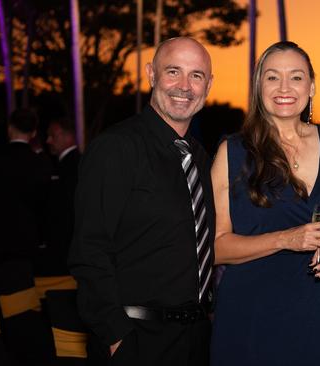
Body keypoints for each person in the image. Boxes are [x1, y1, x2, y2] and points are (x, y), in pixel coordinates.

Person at [209, 41, 320, 366]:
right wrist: (286, 239)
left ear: (312, 85)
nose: (284, 88)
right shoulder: (232, 152)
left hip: (319, 312)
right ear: (258, 86)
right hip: (250, 314)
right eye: (272, 77)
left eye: (296, 77)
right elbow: (215, 248)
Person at [68, 37, 215, 365]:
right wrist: (116, 335)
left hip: (195, 339)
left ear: (208, 85)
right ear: (151, 75)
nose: (184, 86)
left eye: (196, 75)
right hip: (136, 340)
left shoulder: (202, 159)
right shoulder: (116, 148)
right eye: (173, 71)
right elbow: (89, 250)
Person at [0, 109, 52, 272]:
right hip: (26, 241)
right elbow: (44, 205)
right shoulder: (41, 164)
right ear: (33, 133)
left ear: (10, 128)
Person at [40, 118, 81, 275]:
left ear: (68, 137)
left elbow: (63, 209)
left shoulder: (70, 166)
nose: (48, 140)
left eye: (53, 136)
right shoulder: (71, 163)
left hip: (65, 245)